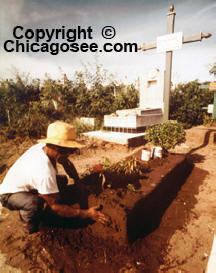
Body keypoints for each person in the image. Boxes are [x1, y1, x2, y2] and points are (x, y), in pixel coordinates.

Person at [0, 121, 109, 234]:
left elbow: (67, 163)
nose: (70, 153)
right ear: (57, 147)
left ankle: (45, 196)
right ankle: (29, 225)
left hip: (29, 184)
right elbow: (54, 207)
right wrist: (86, 213)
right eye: (69, 150)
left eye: (72, 150)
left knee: (62, 180)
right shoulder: (43, 170)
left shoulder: (46, 148)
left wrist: (78, 182)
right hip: (10, 195)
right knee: (35, 203)